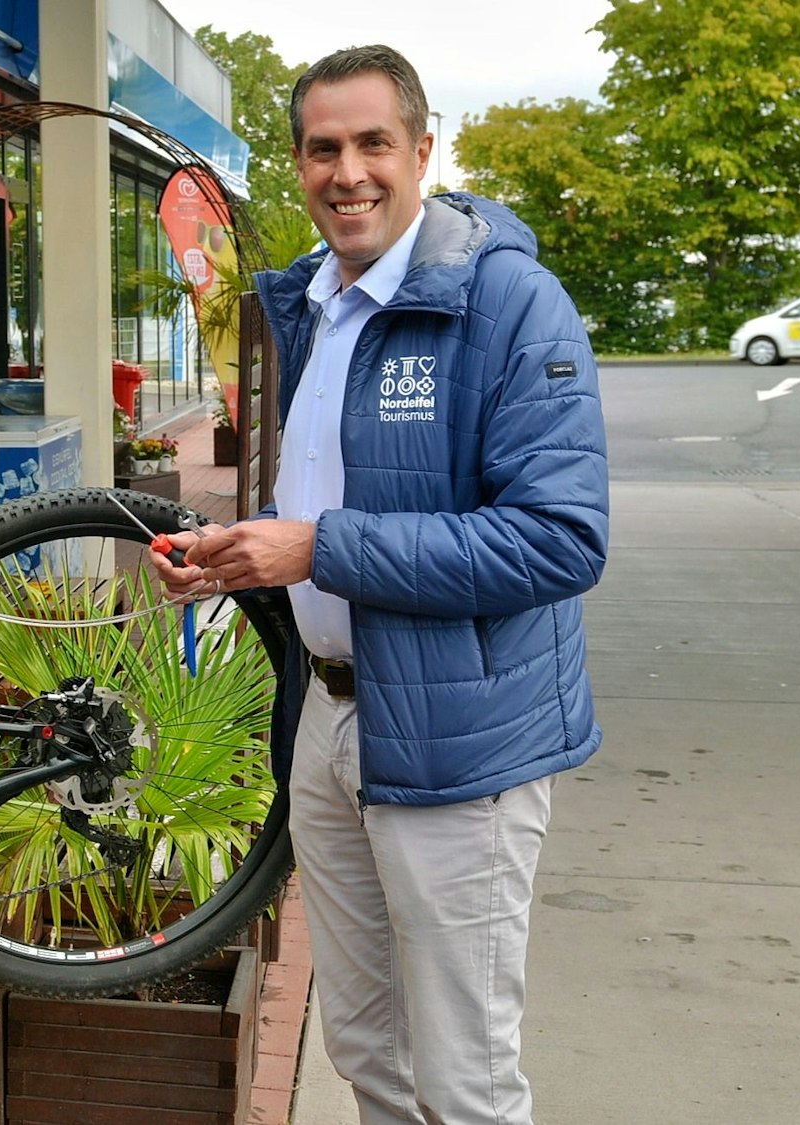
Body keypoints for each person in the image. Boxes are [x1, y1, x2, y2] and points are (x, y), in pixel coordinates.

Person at [150, 45, 608, 1125]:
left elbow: (558, 542)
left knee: (464, 1081)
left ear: (422, 149)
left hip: (461, 744)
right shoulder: (314, 304)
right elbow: (316, 508)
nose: (346, 172)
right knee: (366, 1048)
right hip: (328, 721)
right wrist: (237, 560)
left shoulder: (510, 302)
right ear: (297, 163)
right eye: (323, 149)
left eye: (372, 144)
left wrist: (317, 552)